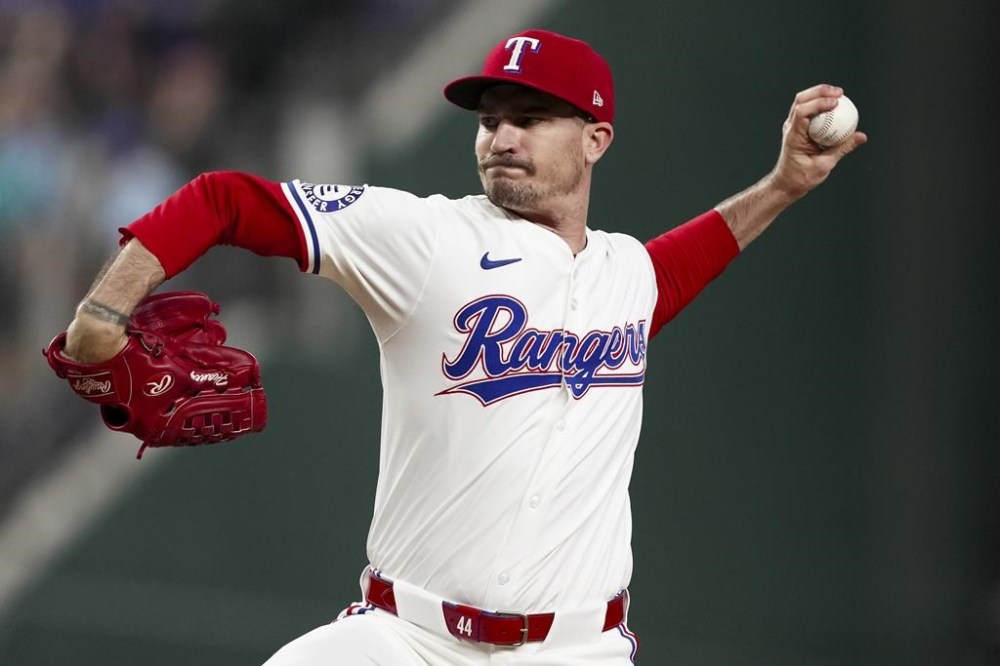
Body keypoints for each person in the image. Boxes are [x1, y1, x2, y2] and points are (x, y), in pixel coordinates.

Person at [58, 29, 865, 666]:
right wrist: (103, 312)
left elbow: (677, 269)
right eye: (490, 120)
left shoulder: (626, 274)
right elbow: (228, 200)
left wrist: (784, 185)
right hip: (403, 640)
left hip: (578, 649)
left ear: (596, 138)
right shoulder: (425, 238)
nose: (501, 138)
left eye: (530, 118)